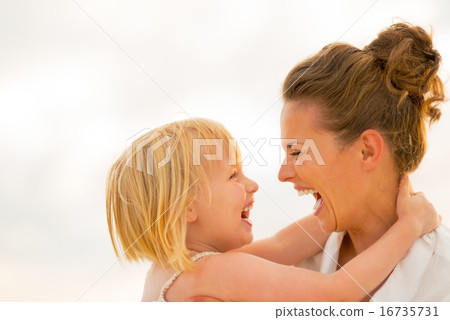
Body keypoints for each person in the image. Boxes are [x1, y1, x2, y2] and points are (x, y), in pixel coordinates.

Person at [106, 117, 439, 302]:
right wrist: (409, 225)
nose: (252, 185)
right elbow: (335, 293)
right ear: (188, 207)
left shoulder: (169, 274)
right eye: (232, 175)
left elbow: (283, 245)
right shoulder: (218, 273)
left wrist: (346, 202)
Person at [278, 22, 450, 301]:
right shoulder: (292, 264)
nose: (283, 174)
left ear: (367, 151)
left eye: (298, 152)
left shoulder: (443, 278)